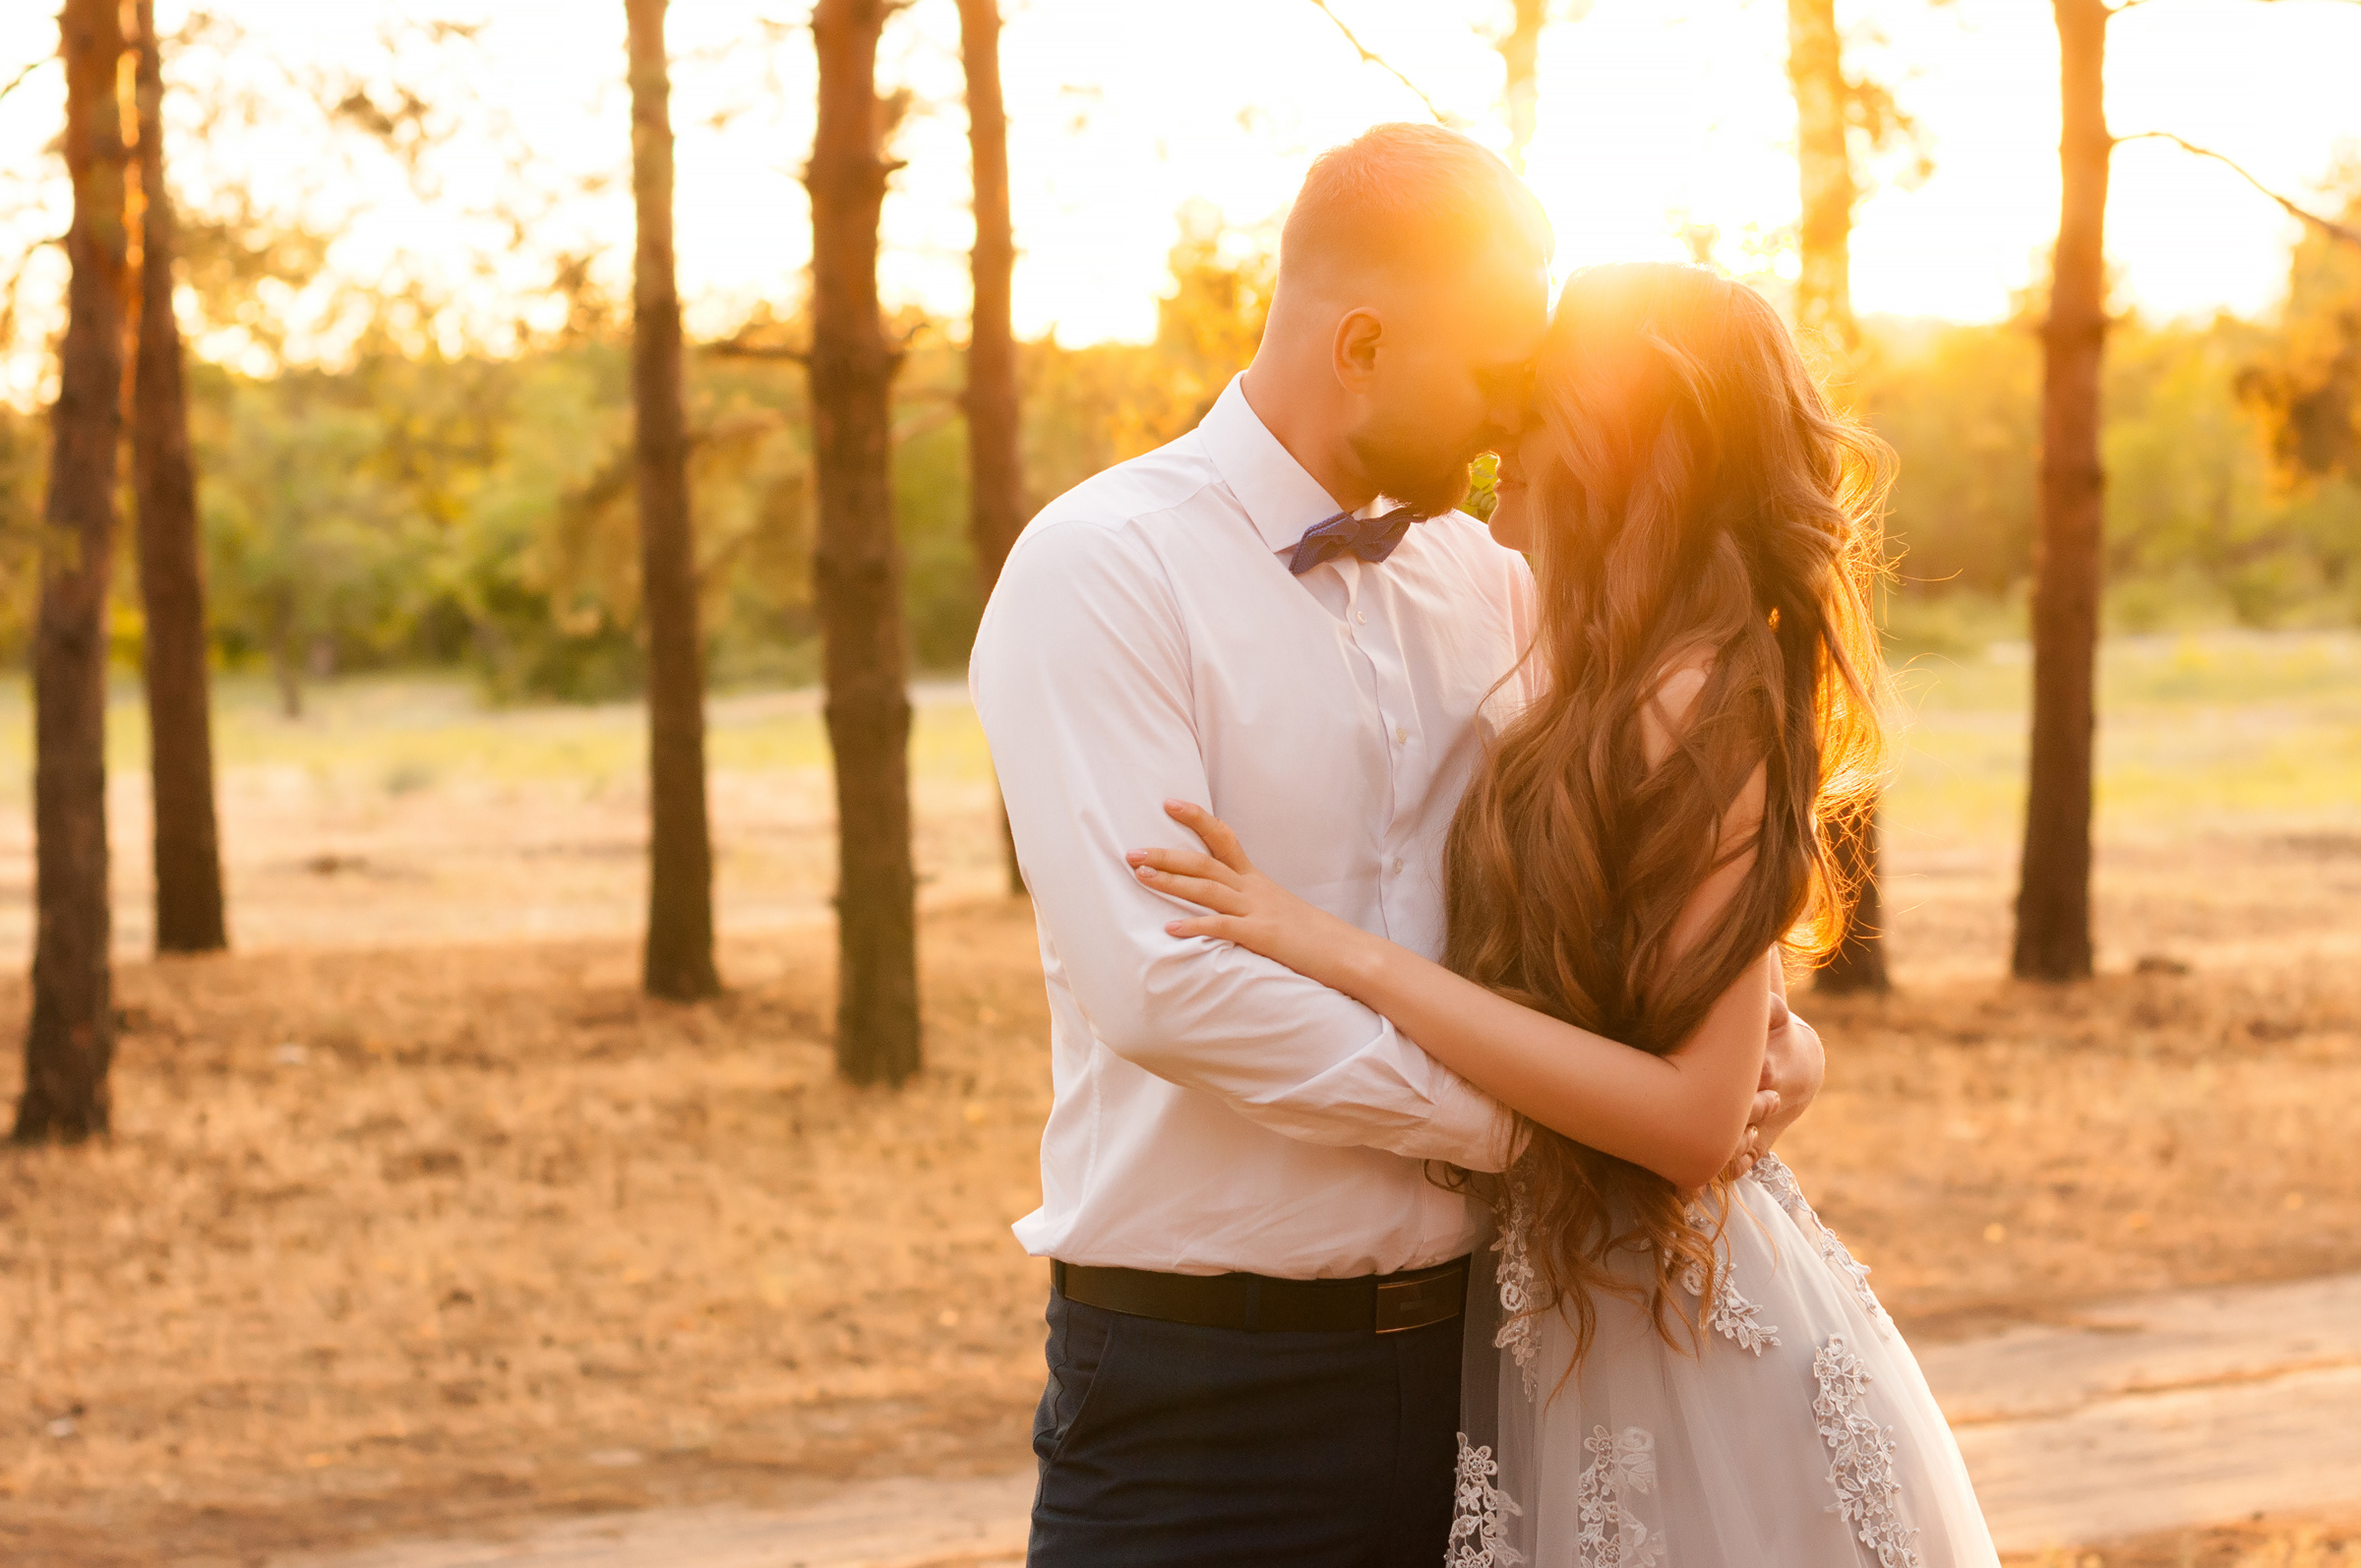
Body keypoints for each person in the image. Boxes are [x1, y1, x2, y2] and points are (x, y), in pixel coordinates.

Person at [969, 125, 1823, 1566]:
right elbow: (1168, 986)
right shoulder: (1103, 567)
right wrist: (1548, 1131)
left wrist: (1768, 1045)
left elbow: (1645, 868)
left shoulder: (1496, 585)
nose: (1512, 422)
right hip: (1203, 1395)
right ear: (1362, 342)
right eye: (1492, 373)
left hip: (1500, 1369)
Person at [1133, 261, 2002, 1565]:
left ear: (1619, 442)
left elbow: (1693, 1120)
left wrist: (1339, 951)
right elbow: (1673, 985)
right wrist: (1787, 1032)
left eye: (1531, 404)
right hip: (1572, 1311)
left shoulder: (1702, 695)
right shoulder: (1598, 659)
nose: (1496, 437)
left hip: (1682, 1333)